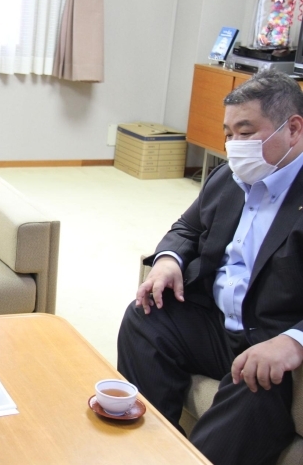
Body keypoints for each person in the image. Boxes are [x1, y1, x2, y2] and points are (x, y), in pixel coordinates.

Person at [117, 69, 303, 465]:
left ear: (294, 129)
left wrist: (294, 340)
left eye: (247, 131)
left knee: (254, 385)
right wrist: (169, 260)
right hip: (218, 323)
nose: (234, 145)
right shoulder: (228, 178)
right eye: (229, 133)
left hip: (269, 341)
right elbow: (187, 227)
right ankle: (151, 450)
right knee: (144, 317)